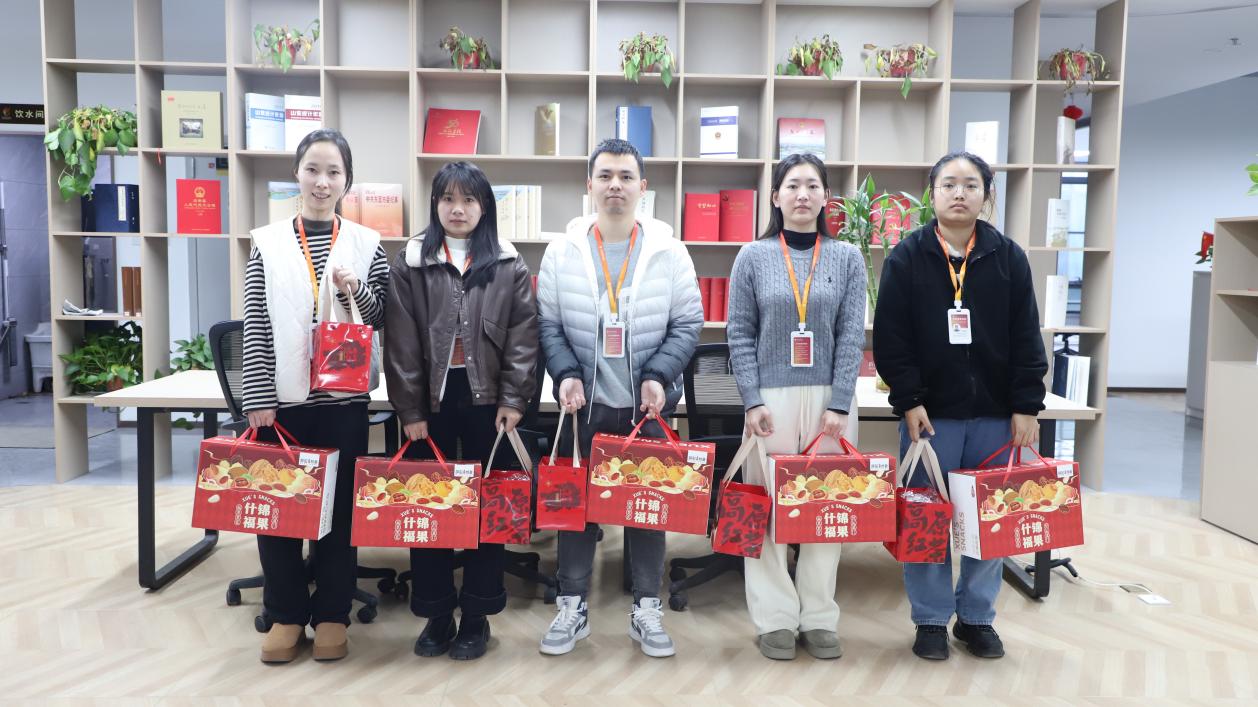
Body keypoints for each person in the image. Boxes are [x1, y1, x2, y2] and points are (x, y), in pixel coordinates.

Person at [873, 150, 1048, 661]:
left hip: (996, 416)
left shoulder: (1008, 257)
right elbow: (891, 338)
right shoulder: (907, 256)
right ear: (932, 194)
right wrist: (908, 400)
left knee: (988, 519)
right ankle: (930, 620)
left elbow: (1026, 336)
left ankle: (976, 617)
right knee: (926, 518)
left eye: (971, 185)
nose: (959, 193)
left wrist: (1026, 404)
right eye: (948, 183)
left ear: (986, 196)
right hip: (930, 417)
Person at [536, 138, 703, 658]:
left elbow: (688, 323)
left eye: (626, 176)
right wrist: (565, 373)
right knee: (575, 507)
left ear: (642, 187)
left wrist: (658, 374)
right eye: (605, 175)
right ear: (589, 184)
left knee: (647, 508)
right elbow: (548, 323)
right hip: (581, 405)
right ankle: (572, 605)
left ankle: (647, 608)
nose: (615, 185)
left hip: (645, 405)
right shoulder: (562, 251)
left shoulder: (670, 251)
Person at [241, 128, 390, 663]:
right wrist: (258, 396)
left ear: (347, 181)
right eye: (312, 169)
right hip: (282, 404)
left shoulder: (368, 244)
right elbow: (255, 323)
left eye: (333, 172)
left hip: (344, 402)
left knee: (339, 513)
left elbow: (381, 316)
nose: (322, 182)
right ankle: (285, 615)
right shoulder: (267, 242)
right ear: (296, 174)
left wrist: (356, 289)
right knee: (279, 510)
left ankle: (331, 615)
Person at [384, 161, 539, 660]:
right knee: (427, 506)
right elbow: (400, 341)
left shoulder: (508, 263)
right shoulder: (411, 262)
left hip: (488, 402)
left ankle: (477, 616)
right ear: (435, 205)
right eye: (448, 199)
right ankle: (435, 614)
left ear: (484, 206)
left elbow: (524, 337)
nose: (458, 209)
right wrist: (410, 409)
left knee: (487, 509)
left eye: (469, 199)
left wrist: (513, 399)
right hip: (427, 403)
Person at [726, 152, 867, 661]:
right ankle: (775, 619)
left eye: (812, 185)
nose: (802, 194)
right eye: (792, 185)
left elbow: (851, 335)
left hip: (831, 402)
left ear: (826, 197)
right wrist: (751, 400)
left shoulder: (847, 258)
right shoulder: (752, 256)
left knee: (826, 508)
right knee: (766, 509)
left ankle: (819, 617)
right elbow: (739, 334)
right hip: (770, 401)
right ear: (775, 197)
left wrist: (840, 402)